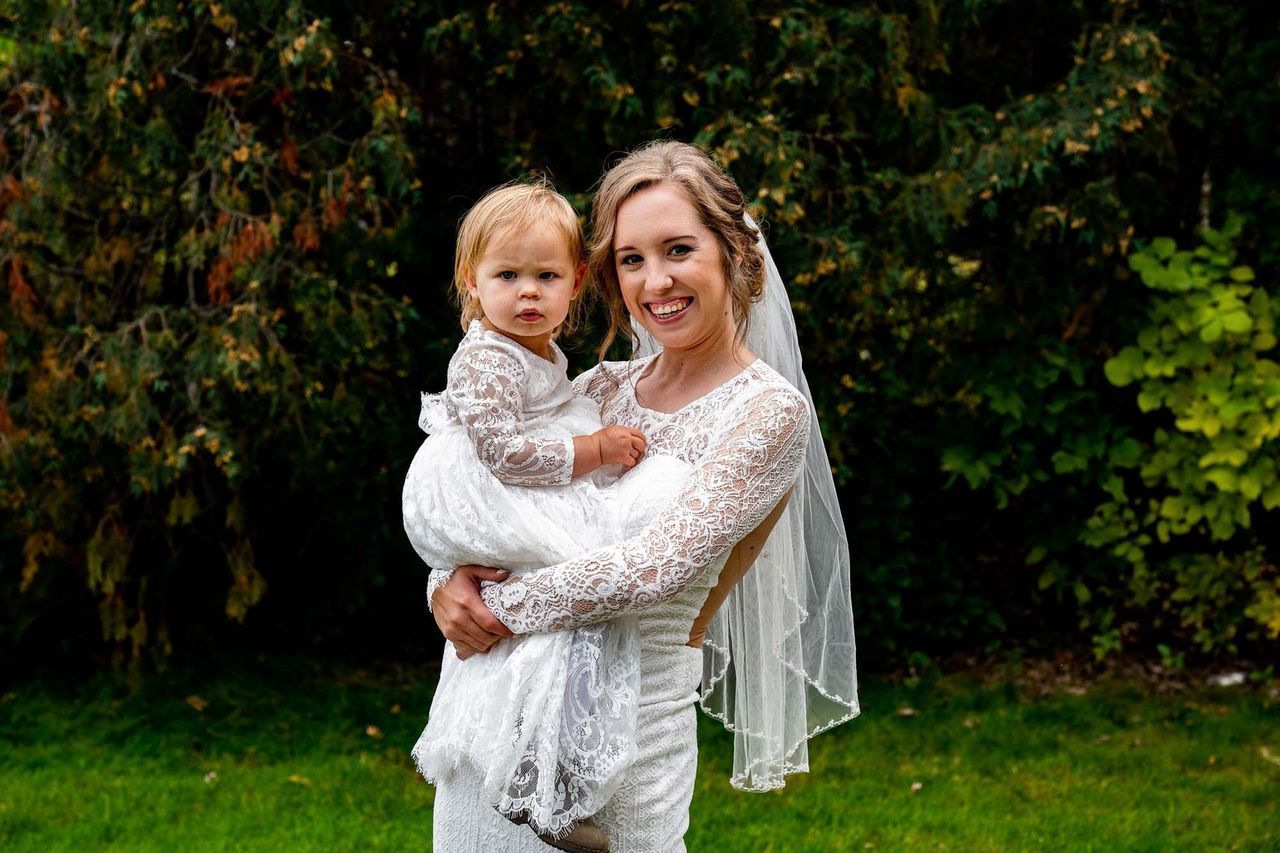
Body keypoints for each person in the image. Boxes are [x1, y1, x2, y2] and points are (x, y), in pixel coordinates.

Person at [428, 141, 859, 852]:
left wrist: (493, 608)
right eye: (631, 259)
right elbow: (487, 502)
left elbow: (649, 570)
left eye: (678, 249)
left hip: (625, 742)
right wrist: (445, 585)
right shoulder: (597, 389)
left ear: (734, 253)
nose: (656, 280)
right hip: (492, 714)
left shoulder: (766, 413)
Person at [402, 180, 652, 851]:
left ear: (576, 283)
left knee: (569, 629)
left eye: (546, 276)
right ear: (472, 281)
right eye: (507, 275)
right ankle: (537, 781)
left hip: (511, 489)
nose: (528, 293)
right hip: (484, 493)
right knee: (578, 596)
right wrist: (596, 450)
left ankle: (545, 774)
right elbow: (506, 454)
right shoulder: (488, 356)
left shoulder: (538, 351)